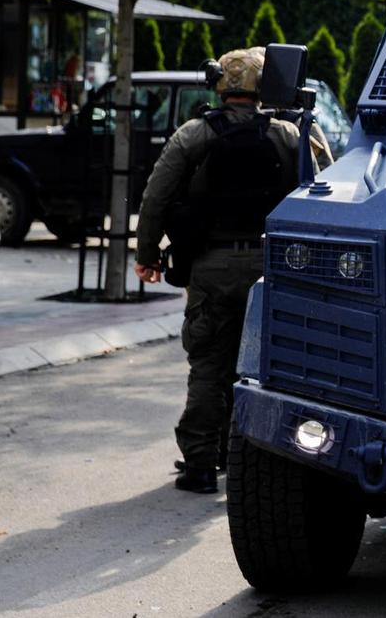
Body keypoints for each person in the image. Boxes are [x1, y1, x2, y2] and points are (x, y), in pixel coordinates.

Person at [133, 47, 333, 494]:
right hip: (274, 271)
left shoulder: (193, 135)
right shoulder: (289, 134)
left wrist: (147, 254)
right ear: (263, 87)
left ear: (219, 85)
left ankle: (202, 465)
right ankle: (274, 461)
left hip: (212, 267)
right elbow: (328, 190)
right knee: (274, 370)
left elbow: (155, 198)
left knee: (209, 365)